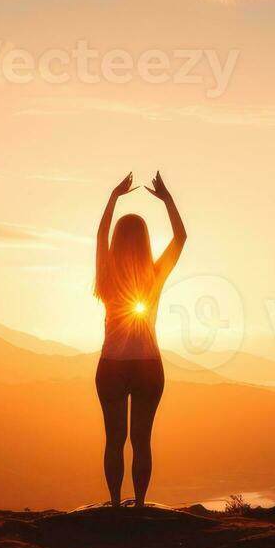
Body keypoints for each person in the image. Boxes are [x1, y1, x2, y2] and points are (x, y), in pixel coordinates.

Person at [94, 172, 186, 508]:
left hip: (112, 366)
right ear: (145, 240)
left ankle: (117, 504)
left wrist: (114, 196)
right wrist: (167, 199)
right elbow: (181, 237)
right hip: (149, 365)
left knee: (114, 441)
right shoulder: (153, 275)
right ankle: (142, 504)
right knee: (142, 441)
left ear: (118, 241)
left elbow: (101, 232)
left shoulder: (106, 272)